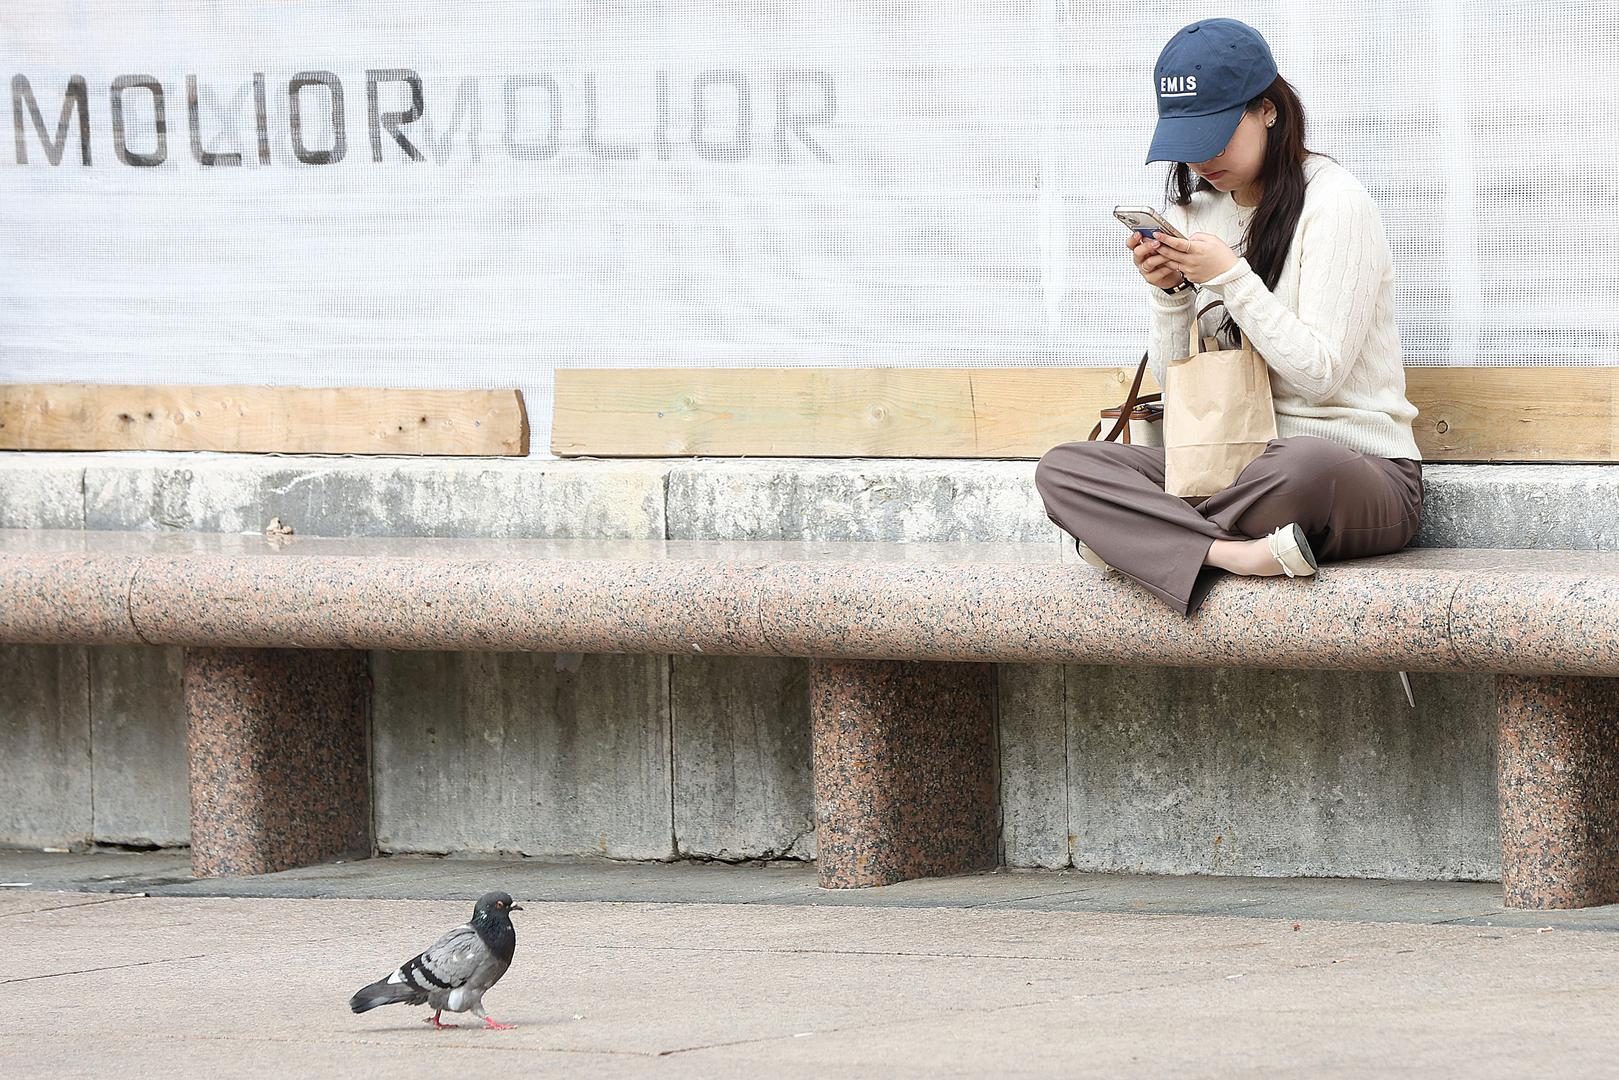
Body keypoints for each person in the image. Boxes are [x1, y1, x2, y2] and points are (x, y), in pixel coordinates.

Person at [1034, 16, 1424, 618]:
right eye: (1189, 140)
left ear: (1268, 110)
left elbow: (1320, 376)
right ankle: (1234, 554)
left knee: (1299, 465)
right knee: (1065, 469)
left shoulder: (1335, 203)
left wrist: (1231, 278)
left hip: (1350, 471)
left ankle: (1141, 541)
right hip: (1223, 464)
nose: (1202, 157)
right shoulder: (1195, 212)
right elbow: (1180, 392)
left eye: (1217, 135)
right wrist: (1170, 295)